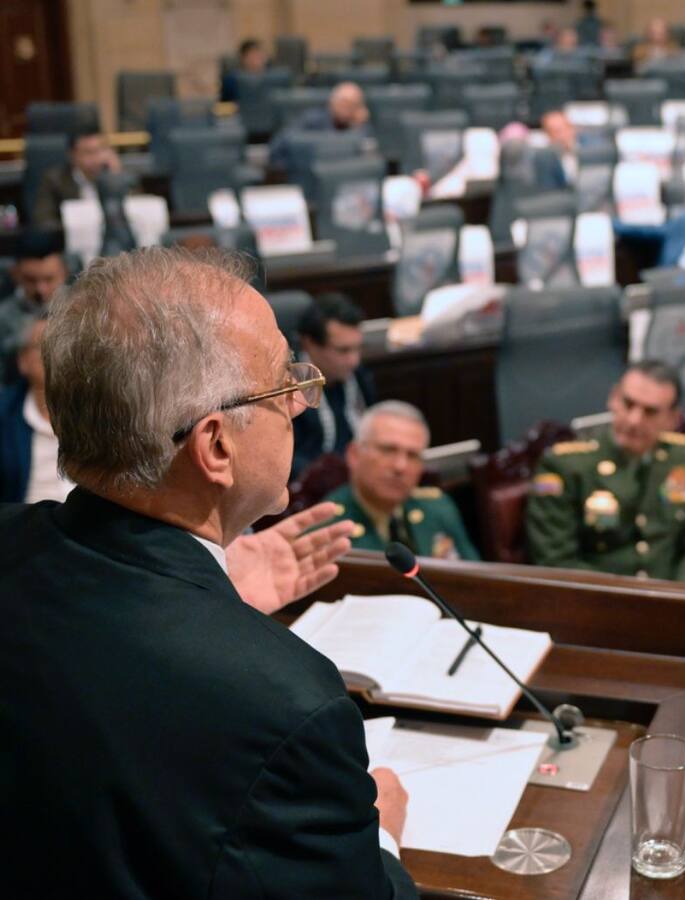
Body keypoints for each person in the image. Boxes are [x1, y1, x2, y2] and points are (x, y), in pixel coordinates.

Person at [0, 247, 417, 897]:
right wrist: (382, 838)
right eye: (284, 381)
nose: (302, 403)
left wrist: (212, 606)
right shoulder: (288, 704)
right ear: (217, 446)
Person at [526, 361, 685, 582]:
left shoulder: (683, 458)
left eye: (650, 412)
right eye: (628, 404)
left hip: (669, 593)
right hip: (599, 597)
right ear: (613, 398)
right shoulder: (563, 466)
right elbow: (557, 562)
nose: (634, 420)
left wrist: (683, 596)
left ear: (673, 419)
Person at [325, 401, 479, 560]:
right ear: (354, 455)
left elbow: (474, 573)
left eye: (412, 455)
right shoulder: (327, 526)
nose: (400, 466)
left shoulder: (438, 509)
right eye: (387, 450)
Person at [291, 292, 376, 479]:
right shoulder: (288, 388)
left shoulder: (359, 375)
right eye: (343, 350)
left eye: (357, 348)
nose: (354, 360)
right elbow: (288, 460)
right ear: (309, 344)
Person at [0, 311, 73, 503]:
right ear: (22, 361)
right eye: (43, 346)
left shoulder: (94, 411)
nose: (53, 354)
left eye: (59, 345)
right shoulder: (5, 414)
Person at [0, 228, 69, 380]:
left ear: (64, 272)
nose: (40, 289)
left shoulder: (81, 309)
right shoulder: (3, 317)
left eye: (49, 279)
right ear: (15, 274)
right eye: (30, 280)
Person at [268, 81, 372, 169]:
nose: (348, 109)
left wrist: (359, 126)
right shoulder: (312, 119)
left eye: (354, 105)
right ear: (332, 102)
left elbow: (366, 150)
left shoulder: (357, 124)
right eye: (344, 103)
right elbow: (278, 147)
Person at [32, 127, 122, 226]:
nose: (97, 158)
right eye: (89, 152)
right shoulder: (54, 180)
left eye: (101, 150)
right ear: (73, 155)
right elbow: (44, 221)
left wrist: (116, 179)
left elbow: (131, 213)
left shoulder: (117, 176)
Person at [536, 109, 579, 188]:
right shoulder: (544, 161)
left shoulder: (590, 151)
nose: (563, 135)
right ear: (548, 136)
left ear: (573, 129)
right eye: (556, 132)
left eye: (566, 128)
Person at [220, 37, 268, 102]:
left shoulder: (272, 78)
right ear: (243, 58)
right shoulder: (232, 80)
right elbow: (225, 103)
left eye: (261, 54)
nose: (259, 58)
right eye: (254, 55)